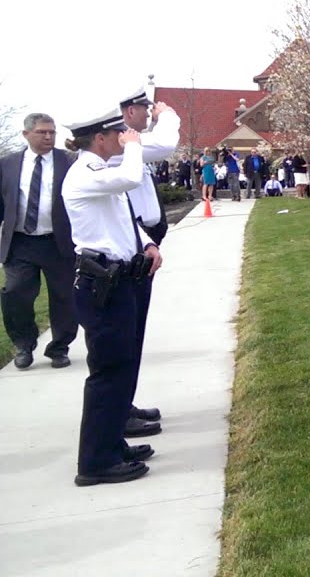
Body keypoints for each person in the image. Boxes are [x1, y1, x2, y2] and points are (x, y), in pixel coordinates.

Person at [62, 109, 163, 486]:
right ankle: (96, 462)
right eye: (117, 133)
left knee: (121, 367)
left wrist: (148, 243)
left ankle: (112, 444)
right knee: (108, 373)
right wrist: (135, 146)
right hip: (100, 284)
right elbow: (130, 176)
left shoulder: (100, 174)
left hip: (117, 279)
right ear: (100, 139)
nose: (124, 137)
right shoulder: (87, 174)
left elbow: (124, 220)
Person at [114, 89, 178, 437]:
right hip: (130, 251)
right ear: (127, 113)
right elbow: (166, 144)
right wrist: (167, 114)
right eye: (144, 108)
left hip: (143, 244)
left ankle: (125, 403)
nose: (149, 112)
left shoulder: (130, 146)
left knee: (133, 331)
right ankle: (118, 411)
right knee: (126, 333)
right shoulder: (122, 148)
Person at [1, 113, 77, 370]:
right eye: (42, 132)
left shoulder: (68, 161)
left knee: (65, 296)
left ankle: (60, 347)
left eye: (52, 132)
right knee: (14, 293)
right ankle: (23, 344)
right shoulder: (8, 164)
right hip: (21, 242)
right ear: (26, 134)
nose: (48, 137)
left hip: (59, 241)